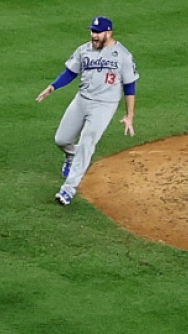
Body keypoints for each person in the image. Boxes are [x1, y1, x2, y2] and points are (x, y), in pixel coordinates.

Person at [36, 16, 138, 206]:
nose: (94, 35)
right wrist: (52, 88)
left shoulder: (123, 55)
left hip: (104, 105)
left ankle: (68, 189)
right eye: (92, 31)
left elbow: (130, 86)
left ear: (109, 33)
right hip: (82, 100)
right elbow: (70, 73)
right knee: (62, 139)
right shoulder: (84, 51)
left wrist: (129, 115)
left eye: (98, 32)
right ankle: (70, 155)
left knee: (87, 143)